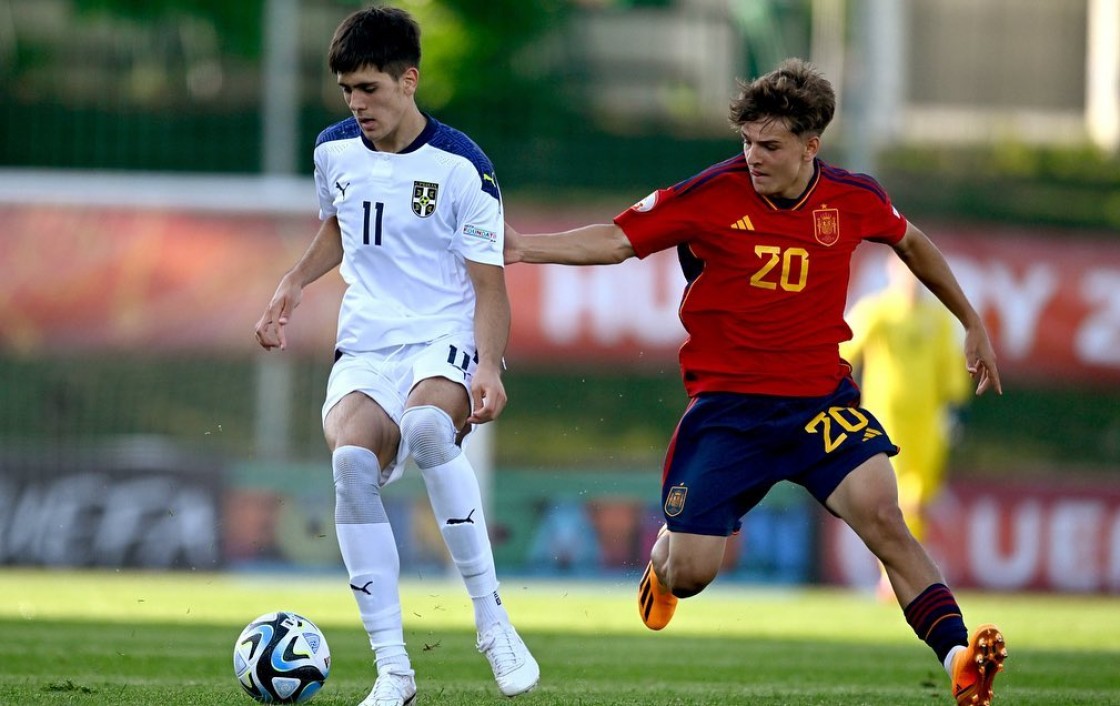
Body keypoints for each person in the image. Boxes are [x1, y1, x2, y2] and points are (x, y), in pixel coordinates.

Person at [505, 58, 1006, 706]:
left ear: (810, 144)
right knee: (692, 574)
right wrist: (524, 247)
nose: (753, 156)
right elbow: (618, 239)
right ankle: (663, 563)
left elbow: (912, 243)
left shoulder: (853, 198)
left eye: (769, 145)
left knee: (885, 515)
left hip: (818, 405)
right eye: (747, 142)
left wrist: (970, 320)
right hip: (730, 412)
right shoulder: (711, 193)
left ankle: (959, 660)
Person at [253, 7, 539, 706]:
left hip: (440, 334)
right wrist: (292, 282)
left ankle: (491, 621)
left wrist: (490, 366)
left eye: (370, 89)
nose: (357, 104)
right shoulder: (332, 152)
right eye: (348, 90)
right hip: (367, 343)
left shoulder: (464, 167)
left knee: (429, 429)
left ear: (409, 80)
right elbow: (341, 228)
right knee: (350, 465)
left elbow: (490, 284)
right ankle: (394, 673)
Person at [842, 256, 972, 599]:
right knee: (894, 499)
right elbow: (846, 349)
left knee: (919, 499)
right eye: (905, 273)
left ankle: (902, 575)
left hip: (927, 423)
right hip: (886, 420)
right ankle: (895, 577)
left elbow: (951, 370)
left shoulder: (939, 319)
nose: (912, 281)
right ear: (891, 274)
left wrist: (955, 408)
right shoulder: (878, 312)